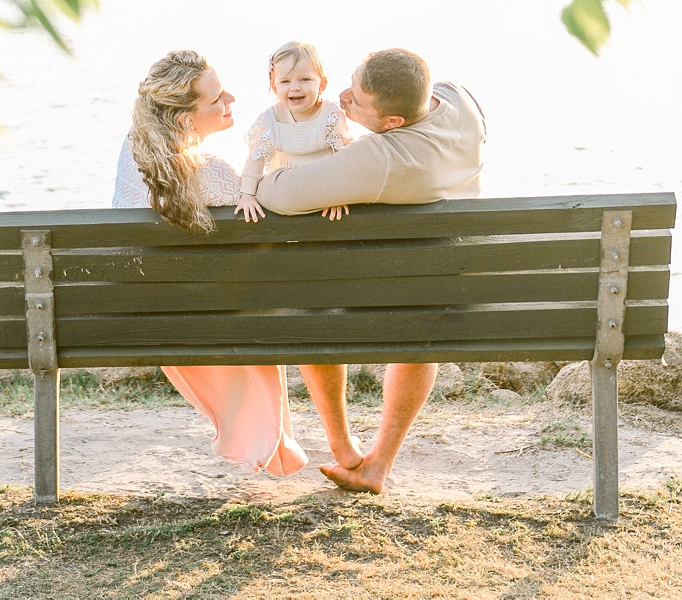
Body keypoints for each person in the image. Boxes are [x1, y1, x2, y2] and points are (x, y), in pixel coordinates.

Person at [255, 47, 485, 495]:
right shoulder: (460, 100)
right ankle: (376, 464)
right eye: (352, 82)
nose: (340, 97)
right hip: (447, 285)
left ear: (392, 123)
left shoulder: (380, 159)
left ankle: (342, 445)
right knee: (421, 332)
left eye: (355, 101)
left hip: (382, 291)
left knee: (314, 306)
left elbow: (276, 194)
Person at [112, 48, 307, 476]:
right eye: (217, 99)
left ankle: (260, 440)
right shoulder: (212, 172)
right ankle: (267, 442)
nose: (231, 100)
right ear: (185, 119)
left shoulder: (135, 153)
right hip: (206, 319)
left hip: (148, 317)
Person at [235, 40, 352, 223]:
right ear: (274, 87)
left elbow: (342, 157)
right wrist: (247, 195)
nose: (295, 87)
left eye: (305, 79)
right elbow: (255, 160)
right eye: (285, 81)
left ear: (322, 84)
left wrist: (337, 193)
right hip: (287, 186)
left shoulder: (331, 114)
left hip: (324, 183)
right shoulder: (271, 119)